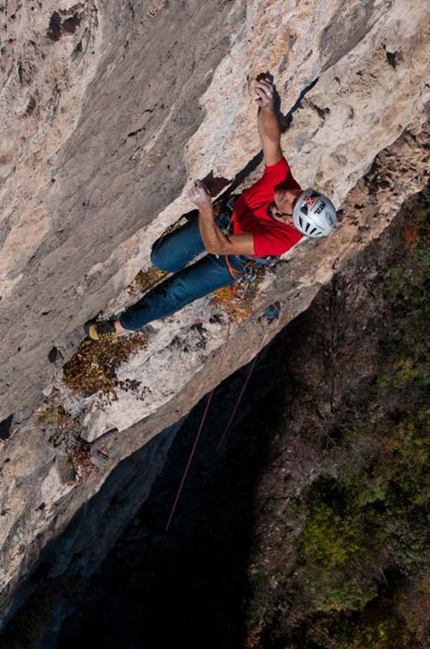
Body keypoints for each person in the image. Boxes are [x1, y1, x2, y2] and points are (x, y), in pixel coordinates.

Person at [85, 75, 337, 341]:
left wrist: (205, 209)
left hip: (232, 257)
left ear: (290, 221)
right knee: (161, 259)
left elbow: (220, 247)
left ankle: (121, 327)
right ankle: (187, 231)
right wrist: (268, 107)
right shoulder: (284, 183)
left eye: (291, 203)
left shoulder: (278, 240)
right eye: (300, 193)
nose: (288, 194)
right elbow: (271, 141)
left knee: (179, 289)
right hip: (226, 217)